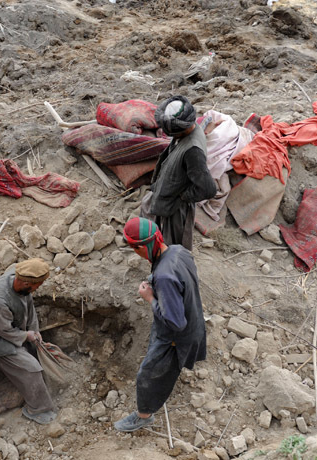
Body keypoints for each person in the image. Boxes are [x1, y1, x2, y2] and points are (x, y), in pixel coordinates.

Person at [114, 217, 207, 432]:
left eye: (135, 249)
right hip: (194, 316)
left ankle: (143, 415)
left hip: (177, 336)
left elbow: (175, 322)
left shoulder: (165, 276)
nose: (136, 254)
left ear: (142, 247)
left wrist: (150, 298)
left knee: (147, 374)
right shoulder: (177, 251)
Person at [0, 258, 57, 424]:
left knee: (38, 352)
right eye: (38, 285)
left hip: (15, 330)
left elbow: (30, 308)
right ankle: (37, 409)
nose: (37, 288)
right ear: (26, 283)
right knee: (32, 369)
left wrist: (35, 332)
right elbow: (4, 330)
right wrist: (26, 336)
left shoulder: (21, 284)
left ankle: (40, 388)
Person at [141, 95, 217, 250]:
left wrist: (182, 197)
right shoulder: (188, 130)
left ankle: (172, 273)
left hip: (176, 210)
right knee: (161, 242)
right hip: (168, 200)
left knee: (173, 251)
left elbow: (208, 188)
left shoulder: (193, 151)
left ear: (179, 130)